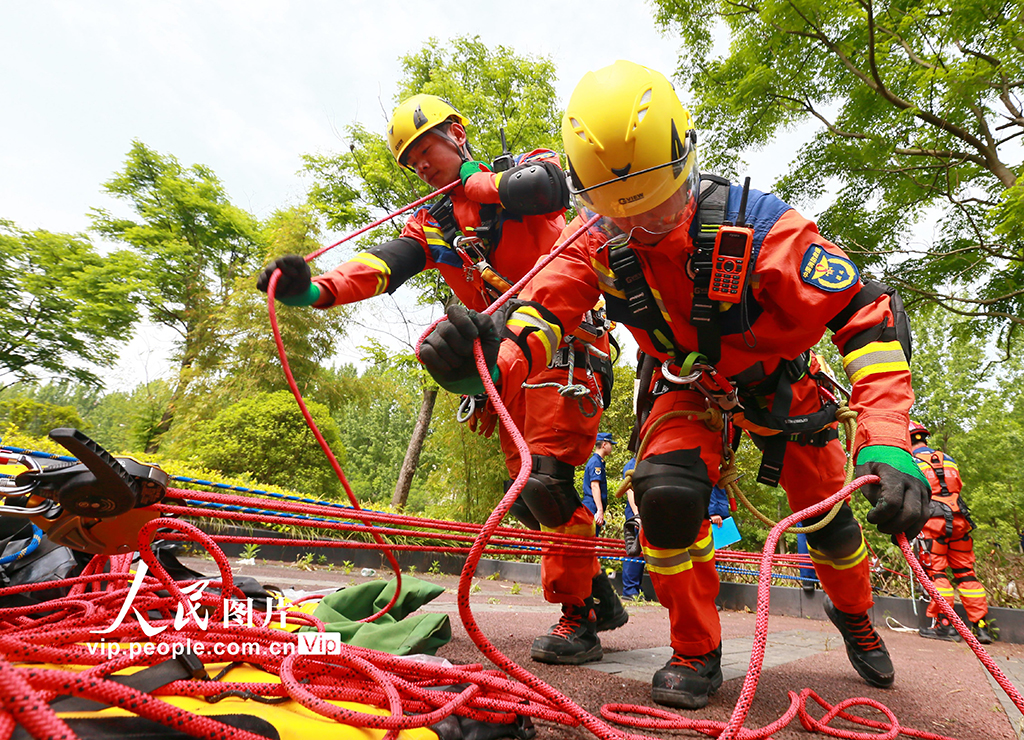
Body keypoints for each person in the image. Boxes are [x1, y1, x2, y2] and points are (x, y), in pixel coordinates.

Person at [417, 61, 932, 708]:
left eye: (658, 205)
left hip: (782, 384)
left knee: (828, 520)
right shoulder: (594, 241)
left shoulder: (762, 229)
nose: (643, 226)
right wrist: (487, 364)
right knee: (663, 494)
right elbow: (540, 317)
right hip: (682, 382)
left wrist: (885, 439)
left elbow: (866, 314)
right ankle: (695, 649)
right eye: (617, 213)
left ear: (687, 164)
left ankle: (854, 615)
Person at [256, 93, 626, 666]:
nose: (420, 165)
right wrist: (316, 289)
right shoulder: (434, 226)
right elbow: (384, 264)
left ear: (456, 133)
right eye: (410, 161)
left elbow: (552, 189)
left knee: (544, 484)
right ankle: (595, 592)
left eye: (424, 149)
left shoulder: (523, 172)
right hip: (506, 363)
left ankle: (579, 616)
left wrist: (474, 184)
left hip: (565, 347)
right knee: (527, 496)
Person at [910, 421, 995, 644]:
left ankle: (945, 625)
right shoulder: (947, 459)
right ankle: (981, 627)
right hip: (959, 521)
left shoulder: (912, 461)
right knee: (966, 573)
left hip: (933, 523)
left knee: (936, 574)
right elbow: (956, 486)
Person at [582, 432, 615, 535]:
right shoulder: (596, 462)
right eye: (610, 444)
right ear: (604, 444)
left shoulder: (598, 461)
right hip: (592, 505)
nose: (611, 447)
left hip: (593, 504)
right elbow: (595, 486)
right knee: (590, 538)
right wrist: (599, 510)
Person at [621, 456, 645, 598]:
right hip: (636, 513)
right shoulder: (632, 465)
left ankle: (635, 588)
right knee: (634, 549)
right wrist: (637, 515)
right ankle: (630, 589)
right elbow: (630, 491)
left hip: (644, 511)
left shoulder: (643, 463)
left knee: (641, 550)